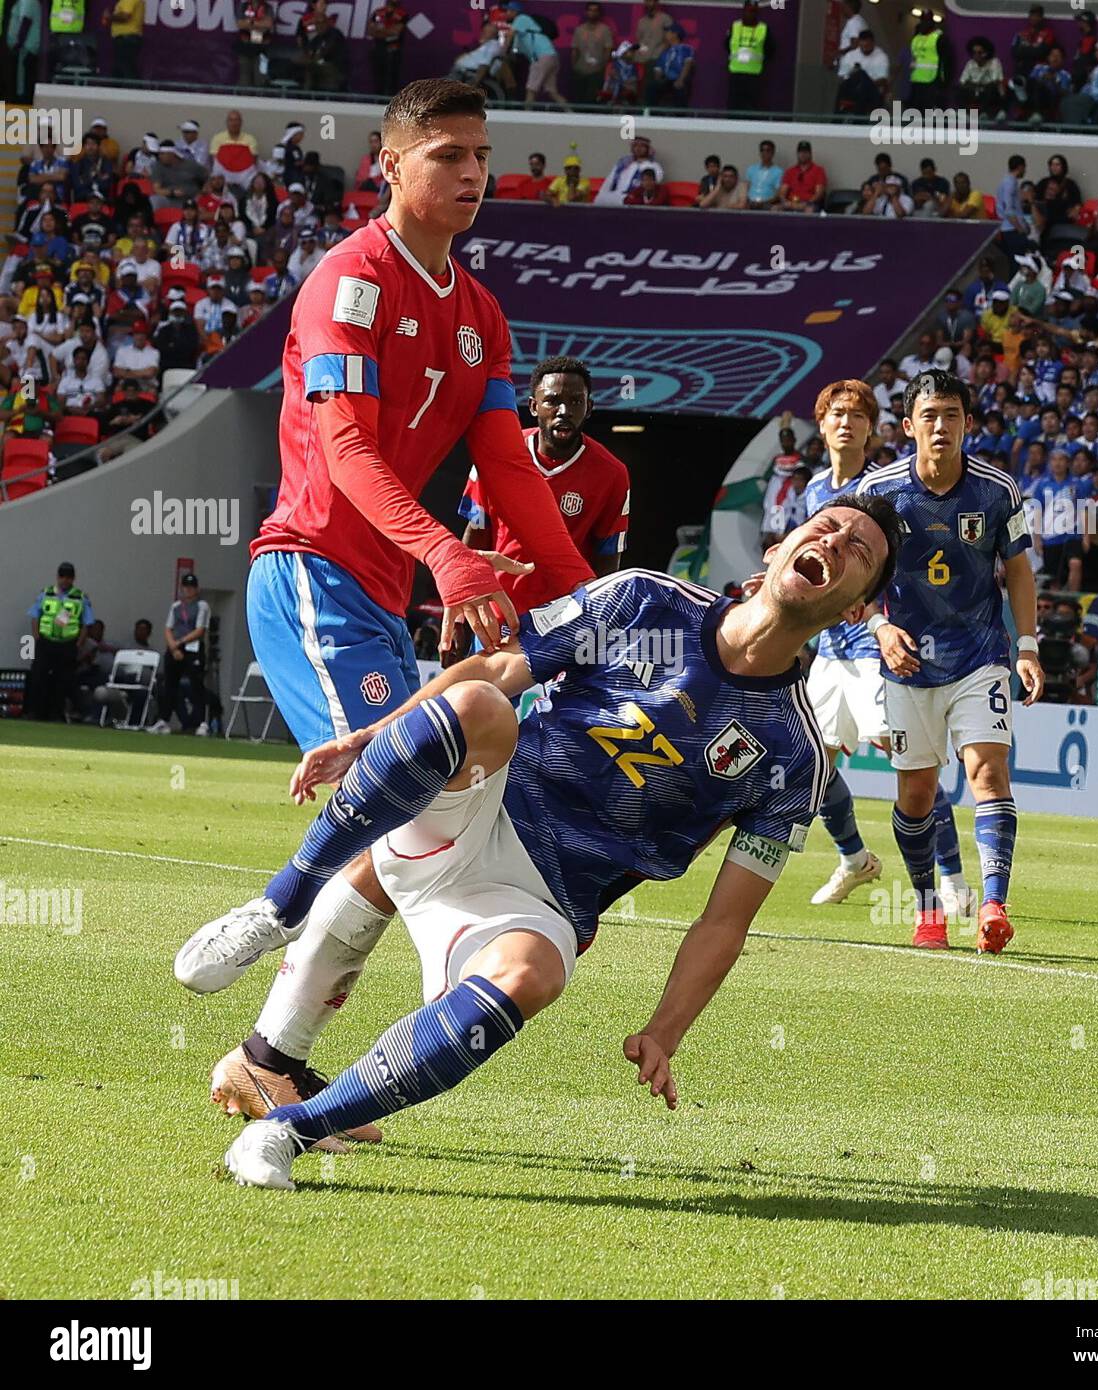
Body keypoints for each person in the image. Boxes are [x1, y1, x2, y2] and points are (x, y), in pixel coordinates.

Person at [182, 499, 899, 1185]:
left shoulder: (794, 754)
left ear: (857, 609)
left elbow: (725, 921)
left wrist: (666, 1028)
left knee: (534, 976)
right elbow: (495, 669)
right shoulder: (644, 600)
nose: (834, 542)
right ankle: (279, 908)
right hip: (483, 803)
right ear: (779, 548)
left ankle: (287, 1128)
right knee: (477, 707)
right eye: (827, 527)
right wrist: (368, 737)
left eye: (857, 549)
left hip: (544, 896)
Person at [228, 79, 593, 788]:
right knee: (398, 798)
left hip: (386, 593)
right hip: (314, 570)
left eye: (482, 155)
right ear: (391, 165)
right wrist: (448, 555)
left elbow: (508, 466)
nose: (473, 173)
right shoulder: (348, 283)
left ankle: (286, 905)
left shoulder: (481, 313)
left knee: (452, 795)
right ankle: (276, 905)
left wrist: (580, 590)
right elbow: (346, 451)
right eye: (448, 154)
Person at [857, 370, 1044, 953]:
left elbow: (1017, 571)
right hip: (907, 665)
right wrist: (880, 627)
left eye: (953, 415)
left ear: (968, 422)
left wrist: (1029, 646)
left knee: (988, 771)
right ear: (910, 426)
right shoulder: (879, 494)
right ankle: (928, 910)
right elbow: (854, 579)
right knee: (916, 796)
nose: (942, 427)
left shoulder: (997, 492)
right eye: (930, 416)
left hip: (979, 655)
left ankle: (993, 905)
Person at [800, 381, 976, 917]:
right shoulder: (812, 490)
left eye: (857, 415)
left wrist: (878, 612)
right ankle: (855, 859)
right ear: (823, 424)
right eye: (836, 414)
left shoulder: (887, 489)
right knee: (811, 763)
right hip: (829, 648)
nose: (846, 423)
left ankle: (952, 881)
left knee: (911, 767)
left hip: (879, 648)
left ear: (874, 428)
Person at [460, 356, 629, 618]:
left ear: (589, 408)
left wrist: (598, 622)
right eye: (552, 401)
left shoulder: (612, 473)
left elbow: (608, 559)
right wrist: (462, 612)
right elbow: (476, 535)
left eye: (576, 402)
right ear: (534, 406)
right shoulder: (497, 455)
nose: (564, 411)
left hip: (564, 623)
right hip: (498, 615)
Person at [26, 561, 93, 722]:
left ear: (73, 579)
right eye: (62, 577)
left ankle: (56, 714)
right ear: (57, 577)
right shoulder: (46, 593)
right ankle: (36, 712)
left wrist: (78, 644)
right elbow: (35, 616)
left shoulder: (80, 597)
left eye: (68, 577)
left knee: (62, 680)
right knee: (38, 677)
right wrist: (36, 637)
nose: (65, 580)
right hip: (46, 642)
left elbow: (87, 623)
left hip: (67, 644)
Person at [148, 574, 212, 736]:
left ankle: (202, 722)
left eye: (191, 587)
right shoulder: (176, 606)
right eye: (185, 587)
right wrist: (173, 646)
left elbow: (199, 630)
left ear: (196, 589)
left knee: (196, 685)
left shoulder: (202, 606)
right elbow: (168, 628)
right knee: (169, 684)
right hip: (175, 648)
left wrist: (180, 642)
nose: (188, 590)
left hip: (192, 648)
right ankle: (164, 720)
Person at [509, 3, 568, 108]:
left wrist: (501, 52)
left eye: (508, 11)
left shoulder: (520, 18)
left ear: (514, 12)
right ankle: (572, 114)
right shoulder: (524, 30)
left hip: (541, 57)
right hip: (552, 56)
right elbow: (516, 50)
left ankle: (526, 118)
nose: (506, 14)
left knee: (531, 90)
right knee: (552, 92)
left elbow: (509, 35)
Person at [726, 0, 773, 112]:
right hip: (736, 74)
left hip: (754, 76)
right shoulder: (735, 26)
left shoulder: (763, 29)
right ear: (743, 11)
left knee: (752, 108)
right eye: (748, 11)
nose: (750, 14)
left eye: (753, 11)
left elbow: (770, 50)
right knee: (733, 107)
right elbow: (727, 45)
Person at [593, 136, 662, 206]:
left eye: (642, 146)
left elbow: (651, 185)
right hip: (617, 195)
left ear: (648, 149)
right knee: (599, 198)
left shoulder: (654, 166)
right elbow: (609, 181)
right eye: (635, 146)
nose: (638, 148)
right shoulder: (623, 163)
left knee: (628, 200)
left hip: (634, 197)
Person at [570, 3, 615, 106]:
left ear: (599, 13)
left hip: (597, 71)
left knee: (592, 100)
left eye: (595, 10)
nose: (592, 13)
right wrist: (574, 66)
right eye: (590, 10)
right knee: (579, 100)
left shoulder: (605, 30)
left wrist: (603, 68)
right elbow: (575, 50)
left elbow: (608, 50)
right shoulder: (579, 30)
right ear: (586, 12)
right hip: (580, 70)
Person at [648, 22, 695, 108]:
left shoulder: (686, 48)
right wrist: (658, 78)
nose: (665, 34)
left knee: (680, 89)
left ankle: (680, 116)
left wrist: (680, 79)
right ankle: (652, 114)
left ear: (675, 34)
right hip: (666, 80)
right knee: (653, 87)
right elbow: (658, 69)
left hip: (679, 78)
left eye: (668, 32)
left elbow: (688, 63)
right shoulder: (665, 52)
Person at [368, 0, 407, 95]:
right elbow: (370, 31)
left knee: (391, 79)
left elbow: (396, 32)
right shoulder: (378, 12)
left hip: (393, 50)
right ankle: (376, 100)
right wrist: (386, 32)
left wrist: (380, 31)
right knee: (378, 78)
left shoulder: (402, 14)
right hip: (378, 48)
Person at [777, 141, 826, 214]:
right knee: (775, 209)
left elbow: (819, 194)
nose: (803, 155)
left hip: (809, 203)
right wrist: (785, 202)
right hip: (791, 202)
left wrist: (806, 203)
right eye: (800, 152)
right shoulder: (790, 171)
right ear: (797, 154)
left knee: (809, 210)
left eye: (806, 152)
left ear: (810, 154)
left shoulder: (819, 170)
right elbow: (782, 192)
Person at [236, 2, 274, 88]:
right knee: (244, 77)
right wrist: (259, 23)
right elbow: (240, 24)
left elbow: (268, 24)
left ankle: (261, 99)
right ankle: (244, 99)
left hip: (262, 48)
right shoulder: (243, 6)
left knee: (261, 77)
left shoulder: (268, 7)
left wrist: (250, 23)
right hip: (245, 46)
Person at [105, 0, 144, 80]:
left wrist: (109, 17)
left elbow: (125, 17)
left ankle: (134, 90)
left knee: (126, 67)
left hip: (127, 39)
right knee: (121, 68)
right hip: (126, 39)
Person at [744, 139, 782, 211]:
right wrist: (747, 200)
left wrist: (764, 203)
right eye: (762, 150)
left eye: (768, 150)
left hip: (767, 204)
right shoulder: (751, 169)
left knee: (775, 209)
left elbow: (778, 194)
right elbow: (746, 189)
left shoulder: (778, 172)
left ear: (773, 153)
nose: (764, 153)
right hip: (749, 203)